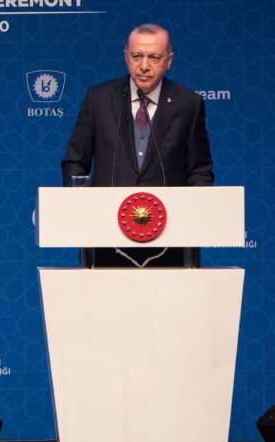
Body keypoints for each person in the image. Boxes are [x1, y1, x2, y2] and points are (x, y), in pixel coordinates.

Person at [60, 23, 214, 267]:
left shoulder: (189, 103)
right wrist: (82, 210)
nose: (144, 66)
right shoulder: (98, 98)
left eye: (154, 57)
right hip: (104, 236)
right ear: (126, 56)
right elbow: (74, 162)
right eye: (136, 56)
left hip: (170, 240)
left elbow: (199, 170)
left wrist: (193, 216)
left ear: (169, 60)